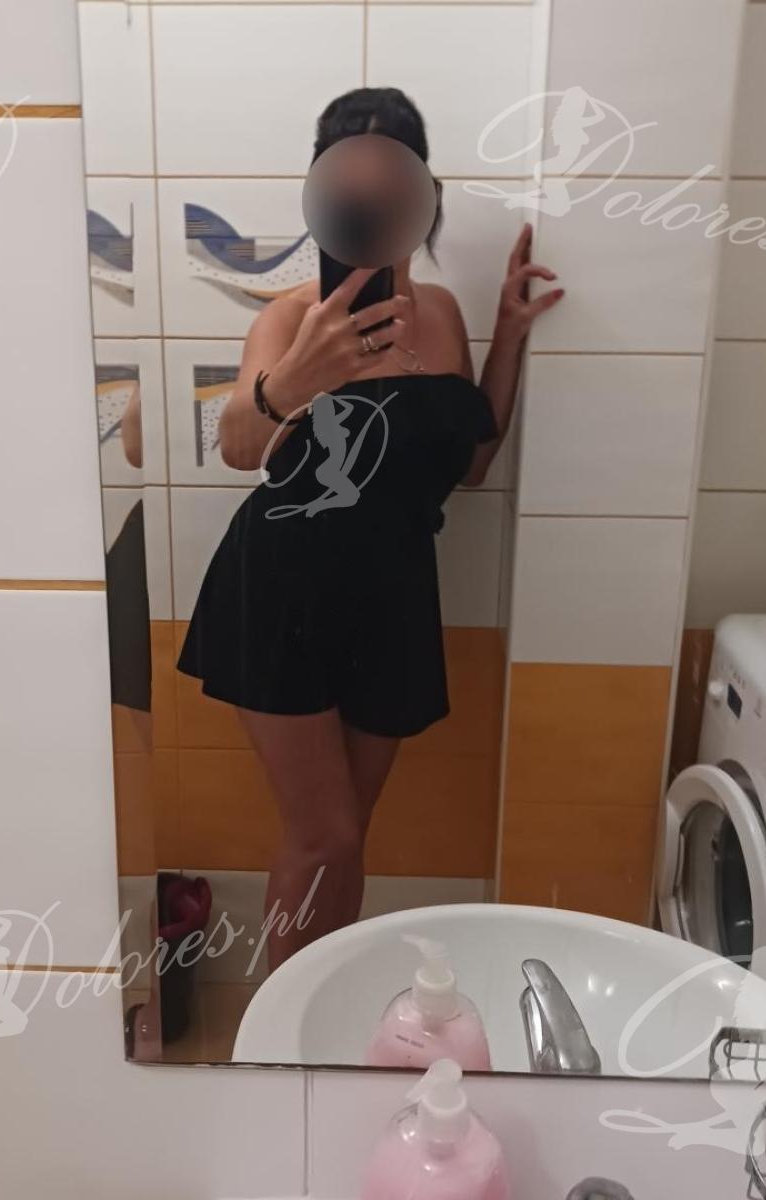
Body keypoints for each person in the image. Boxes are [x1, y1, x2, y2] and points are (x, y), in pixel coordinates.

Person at [177, 87, 565, 969]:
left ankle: (322, 1012)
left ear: (421, 192)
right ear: (321, 194)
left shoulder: (443, 315)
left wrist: (508, 335)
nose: (368, 198)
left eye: (389, 177)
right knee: (323, 836)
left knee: (349, 838)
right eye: (347, 181)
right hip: (284, 591)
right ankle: (279, 1028)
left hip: (393, 595)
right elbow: (239, 449)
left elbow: (471, 464)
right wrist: (298, 375)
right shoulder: (289, 318)